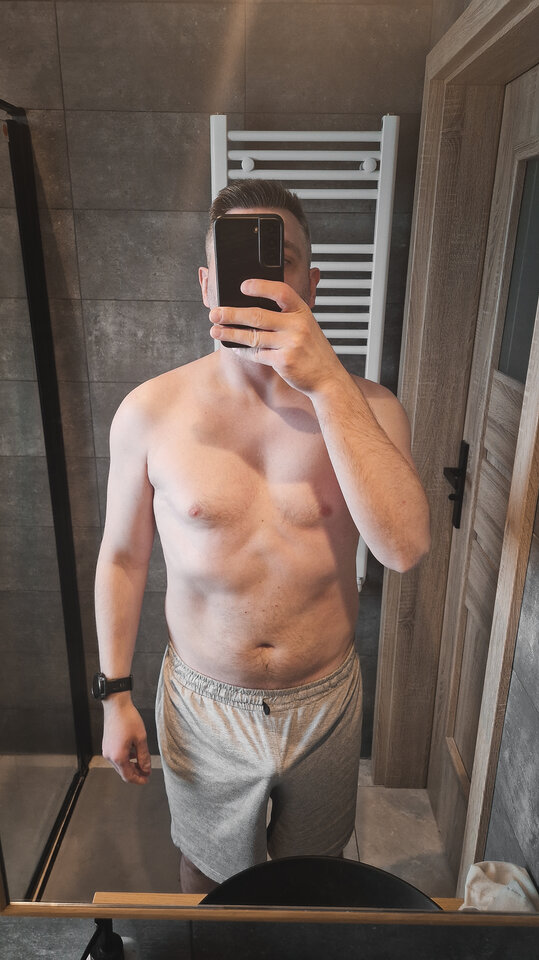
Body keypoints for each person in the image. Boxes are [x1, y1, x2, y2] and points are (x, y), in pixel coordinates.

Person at [94, 179, 430, 894]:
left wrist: (327, 384)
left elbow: (404, 549)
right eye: (236, 266)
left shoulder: (369, 409)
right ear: (206, 284)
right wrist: (115, 694)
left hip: (325, 702)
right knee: (205, 872)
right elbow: (121, 558)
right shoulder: (150, 412)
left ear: (311, 284)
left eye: (281, 262)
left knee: (316, 875)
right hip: (203, 701)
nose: (256, 282)